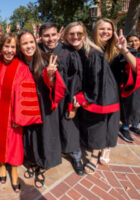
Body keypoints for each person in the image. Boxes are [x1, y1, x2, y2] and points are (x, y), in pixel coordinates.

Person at [0, 33, 42, 193]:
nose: (9, 50)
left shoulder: (22, 68)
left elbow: (27, 94)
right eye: (6, 46)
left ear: (17, 49)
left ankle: (14, 171)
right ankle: (2, 165)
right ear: (1, 47)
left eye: (13, 47)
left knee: (14, 144)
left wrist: (20, 117)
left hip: (13, 115)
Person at [63, 21, 120, 174]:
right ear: (66, 35)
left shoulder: (92, 54)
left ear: (85, 35)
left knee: (97, 124)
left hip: (101, 93)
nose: (75, 36)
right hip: (92, 91)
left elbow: (97, 81)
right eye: (72, 34)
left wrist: (84, 98)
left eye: (79, 33)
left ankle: (94, 157)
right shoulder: (75, 50)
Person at [19, 31, 65, 188]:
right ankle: (33, 162)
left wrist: (50, 76)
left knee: (45, 135)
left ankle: (43, 167)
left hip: (44, 105)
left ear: (36, 41)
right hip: (28, 105)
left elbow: (57, 87)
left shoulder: (46, 59)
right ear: (20, 46)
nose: (29, 46)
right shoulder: (19, 62)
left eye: (31, 42)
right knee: (31, 135)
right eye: (24, 43)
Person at [38, 22, 84, 176]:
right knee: (50, 129)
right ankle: (51, 155)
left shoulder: (68, 51)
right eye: (46, 35)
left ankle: (76, 157)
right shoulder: (37, 51)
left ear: (58, 34)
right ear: (40, 37)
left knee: (69, 127)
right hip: (46, 98)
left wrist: (73, 104)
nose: (50, 39)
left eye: (53, 34)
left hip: (65, 97)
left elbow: (75, 79)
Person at [93, 19, 140, 150]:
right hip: (92, 92)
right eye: (102, 28)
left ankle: (106, 149)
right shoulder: (89, 47)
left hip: (111, 94)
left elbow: (136, 67)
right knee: (94, 123)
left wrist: (124, 50)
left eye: (109, 29)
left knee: (110, 123)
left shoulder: (118, 50)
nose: (105, 32)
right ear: (95, 30)